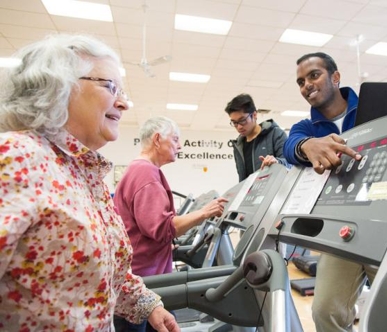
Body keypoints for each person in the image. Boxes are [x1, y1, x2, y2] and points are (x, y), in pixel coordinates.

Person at [0, 34, 179, 332]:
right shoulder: (16, 156)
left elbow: (98, 270)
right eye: (110, 87)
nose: (123, 103)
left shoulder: (80, 170)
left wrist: (147, 305)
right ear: (57, 86)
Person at [283, 52, 377, 332]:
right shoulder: (306, 127)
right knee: (325, 311)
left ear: (336, 77)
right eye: (301, 81)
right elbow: (292, 146)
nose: (307, 85)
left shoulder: (372, 109)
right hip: (343, 227)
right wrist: (307, 146)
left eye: (314, 75)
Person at [112, 116, 228, 331]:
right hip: (145, 282)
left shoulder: (139, 170)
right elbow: (162, 228)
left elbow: (144, 228)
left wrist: (164, 245)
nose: (180, 146)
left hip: (143, 275)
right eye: (175, 139)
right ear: (157, 139)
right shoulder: (145, 172)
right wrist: (204, 212)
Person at [225, 93, 289, 182]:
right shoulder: (238, 145)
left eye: (242, 120)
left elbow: (290, 165)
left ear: (254, 115)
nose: (239, 127)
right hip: (250, 194)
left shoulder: (276, 134)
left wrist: (277, 162)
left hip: (274, 193)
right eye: (234, 123)